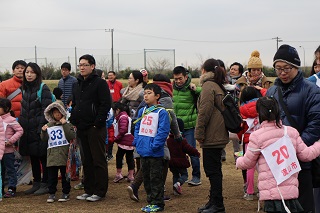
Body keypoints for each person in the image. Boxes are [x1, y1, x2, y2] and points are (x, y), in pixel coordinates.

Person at [236, 96, 320, 213]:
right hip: (291, 192)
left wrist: (238, 161)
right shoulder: (291, 132)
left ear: (259, 114)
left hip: (271, 193)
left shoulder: (257, 136)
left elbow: (248, 162)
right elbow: (307, 155)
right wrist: (318, 144)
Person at [266, 44, 320, 213]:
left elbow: (316, 123)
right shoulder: (272, 92)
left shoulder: (312, 91)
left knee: (302, 206)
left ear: (296, 66)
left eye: (287, 68)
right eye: (278, 68)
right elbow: (266, 123)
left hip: (301, 161)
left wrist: (295, 148)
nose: (282, 72)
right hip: (278, 162)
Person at [70, 54, 111, 202]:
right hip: (81, 127)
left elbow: (106, 104)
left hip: (95, 128)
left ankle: (100, 191)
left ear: (92, 66)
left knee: (98, 159)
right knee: (86, 160)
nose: (82, 67)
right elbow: (74, 105)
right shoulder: (77, 84)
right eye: (80, 64)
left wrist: (97, 123)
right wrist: (73, 119)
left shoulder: (100, 83)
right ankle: (89, 189)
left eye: (85, 64)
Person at [195, 58, 229, 213]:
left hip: (212, 135)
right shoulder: (217, 84)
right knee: (214, 170)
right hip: (217, 133)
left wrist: (199, 132)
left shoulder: (208, 86)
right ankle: (213, 201)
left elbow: (204, 111)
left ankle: (218, 204)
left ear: (204, 70)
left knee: (213, 171)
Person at [133, 83, 170, 212]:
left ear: (157, 96)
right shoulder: (143, 110)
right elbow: (137, 127)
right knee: (147, 179)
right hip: (143, 150)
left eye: (149, 93)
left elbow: (163, 131)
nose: (146, 95)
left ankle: (158, 203)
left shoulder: (162, 112)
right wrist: (137, 141)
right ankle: (151, 201)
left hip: (155, 152)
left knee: (156, 179)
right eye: (145, 93)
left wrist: (155, 145)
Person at [19, 62, 53, 195]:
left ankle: (45, 183)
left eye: (32, 72)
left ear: (37, 74)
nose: (28, 74)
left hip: (39, 129)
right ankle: (36, 182)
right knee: (33, 156)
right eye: (27, 72)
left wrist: (41, 128)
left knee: (43, 157)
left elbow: (46, 109)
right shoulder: (25, 89)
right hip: (27, 129)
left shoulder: (43, 88)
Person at [41, 101, 76, 203]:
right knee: (52, 176)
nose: (57, 114)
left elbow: (71, 136)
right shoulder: (48, 125)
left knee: (65, 176)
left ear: (62, 113)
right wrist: (43, 131)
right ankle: (52, 193)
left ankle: (66, 192)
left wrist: (65, 124)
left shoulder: (67, 124)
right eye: (55, 112)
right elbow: (44, 139)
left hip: (64, 155)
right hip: (52, 155)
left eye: (58, 112)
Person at [173, 65, 202, 186]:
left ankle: (196, 176)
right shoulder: (172, 88)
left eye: (180, 78)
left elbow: (203, 92)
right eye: (176, 79)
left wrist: (195, 89)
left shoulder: (192, 88)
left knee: (192, 151)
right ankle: (180, 176)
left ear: (186, 77)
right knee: (176, 153)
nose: (178, 81)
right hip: (175, 127)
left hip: (189, 126)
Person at [237, 86, 266, 201]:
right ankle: (261, 190)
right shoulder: (262, 106)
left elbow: (240, 128)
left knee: (250, 167)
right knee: (263, 167)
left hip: (249, 141)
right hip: (263, 140)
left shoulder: (242, 110)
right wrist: (261, 89)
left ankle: (249, 192)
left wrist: (241, 138)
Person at [167, 118, 200, 196]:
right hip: (181, 162)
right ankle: (178, 183)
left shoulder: (168, 141)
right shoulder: (182, 140)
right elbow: (189, 149)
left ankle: (175, 190)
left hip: (171, 162)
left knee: (175, 175)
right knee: (184, 175)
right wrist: (196, 153)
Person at [0, 98, 23, 198]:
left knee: (10, 170)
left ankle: (12, 188)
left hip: (8, 151)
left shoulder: (11, 120)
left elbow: (20, 131)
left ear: (6, 108)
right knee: (1, 171)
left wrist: (11, 140)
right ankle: (1, 189)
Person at [112, 101, 135, 183]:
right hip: (130, 141)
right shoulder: (127, 116)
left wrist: (117, 138)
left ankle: (119, 174)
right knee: (130, 158)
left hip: (124, 141)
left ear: (117, 110)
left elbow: (123, 130)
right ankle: (131, 175)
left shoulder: (122, 117)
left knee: (119, 157)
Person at [106, 70, 123, 161]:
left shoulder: (119, 84)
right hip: (109, 106)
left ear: (115, 76)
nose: (110, 77)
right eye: (109, 76)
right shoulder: (106, 83)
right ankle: (108, 153)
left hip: (117, 107)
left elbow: (122, 95)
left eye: (111, 75)